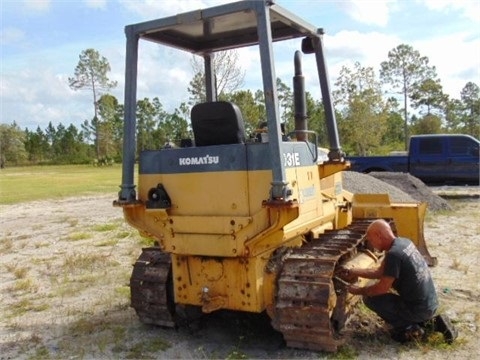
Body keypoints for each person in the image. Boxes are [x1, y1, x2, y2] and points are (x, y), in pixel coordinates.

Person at [339, 219, 457, 343]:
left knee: (370, 298)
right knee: (373, 292)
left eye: (371, 240)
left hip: (420, 308)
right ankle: (433, 323)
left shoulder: (393, 255)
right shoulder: (404, 243)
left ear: (379, 236)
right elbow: (380, 273)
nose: (372, 244)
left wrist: (358, 291)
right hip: (429, 303)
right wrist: (354, 271)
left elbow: (381, 289)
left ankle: (409, 329)